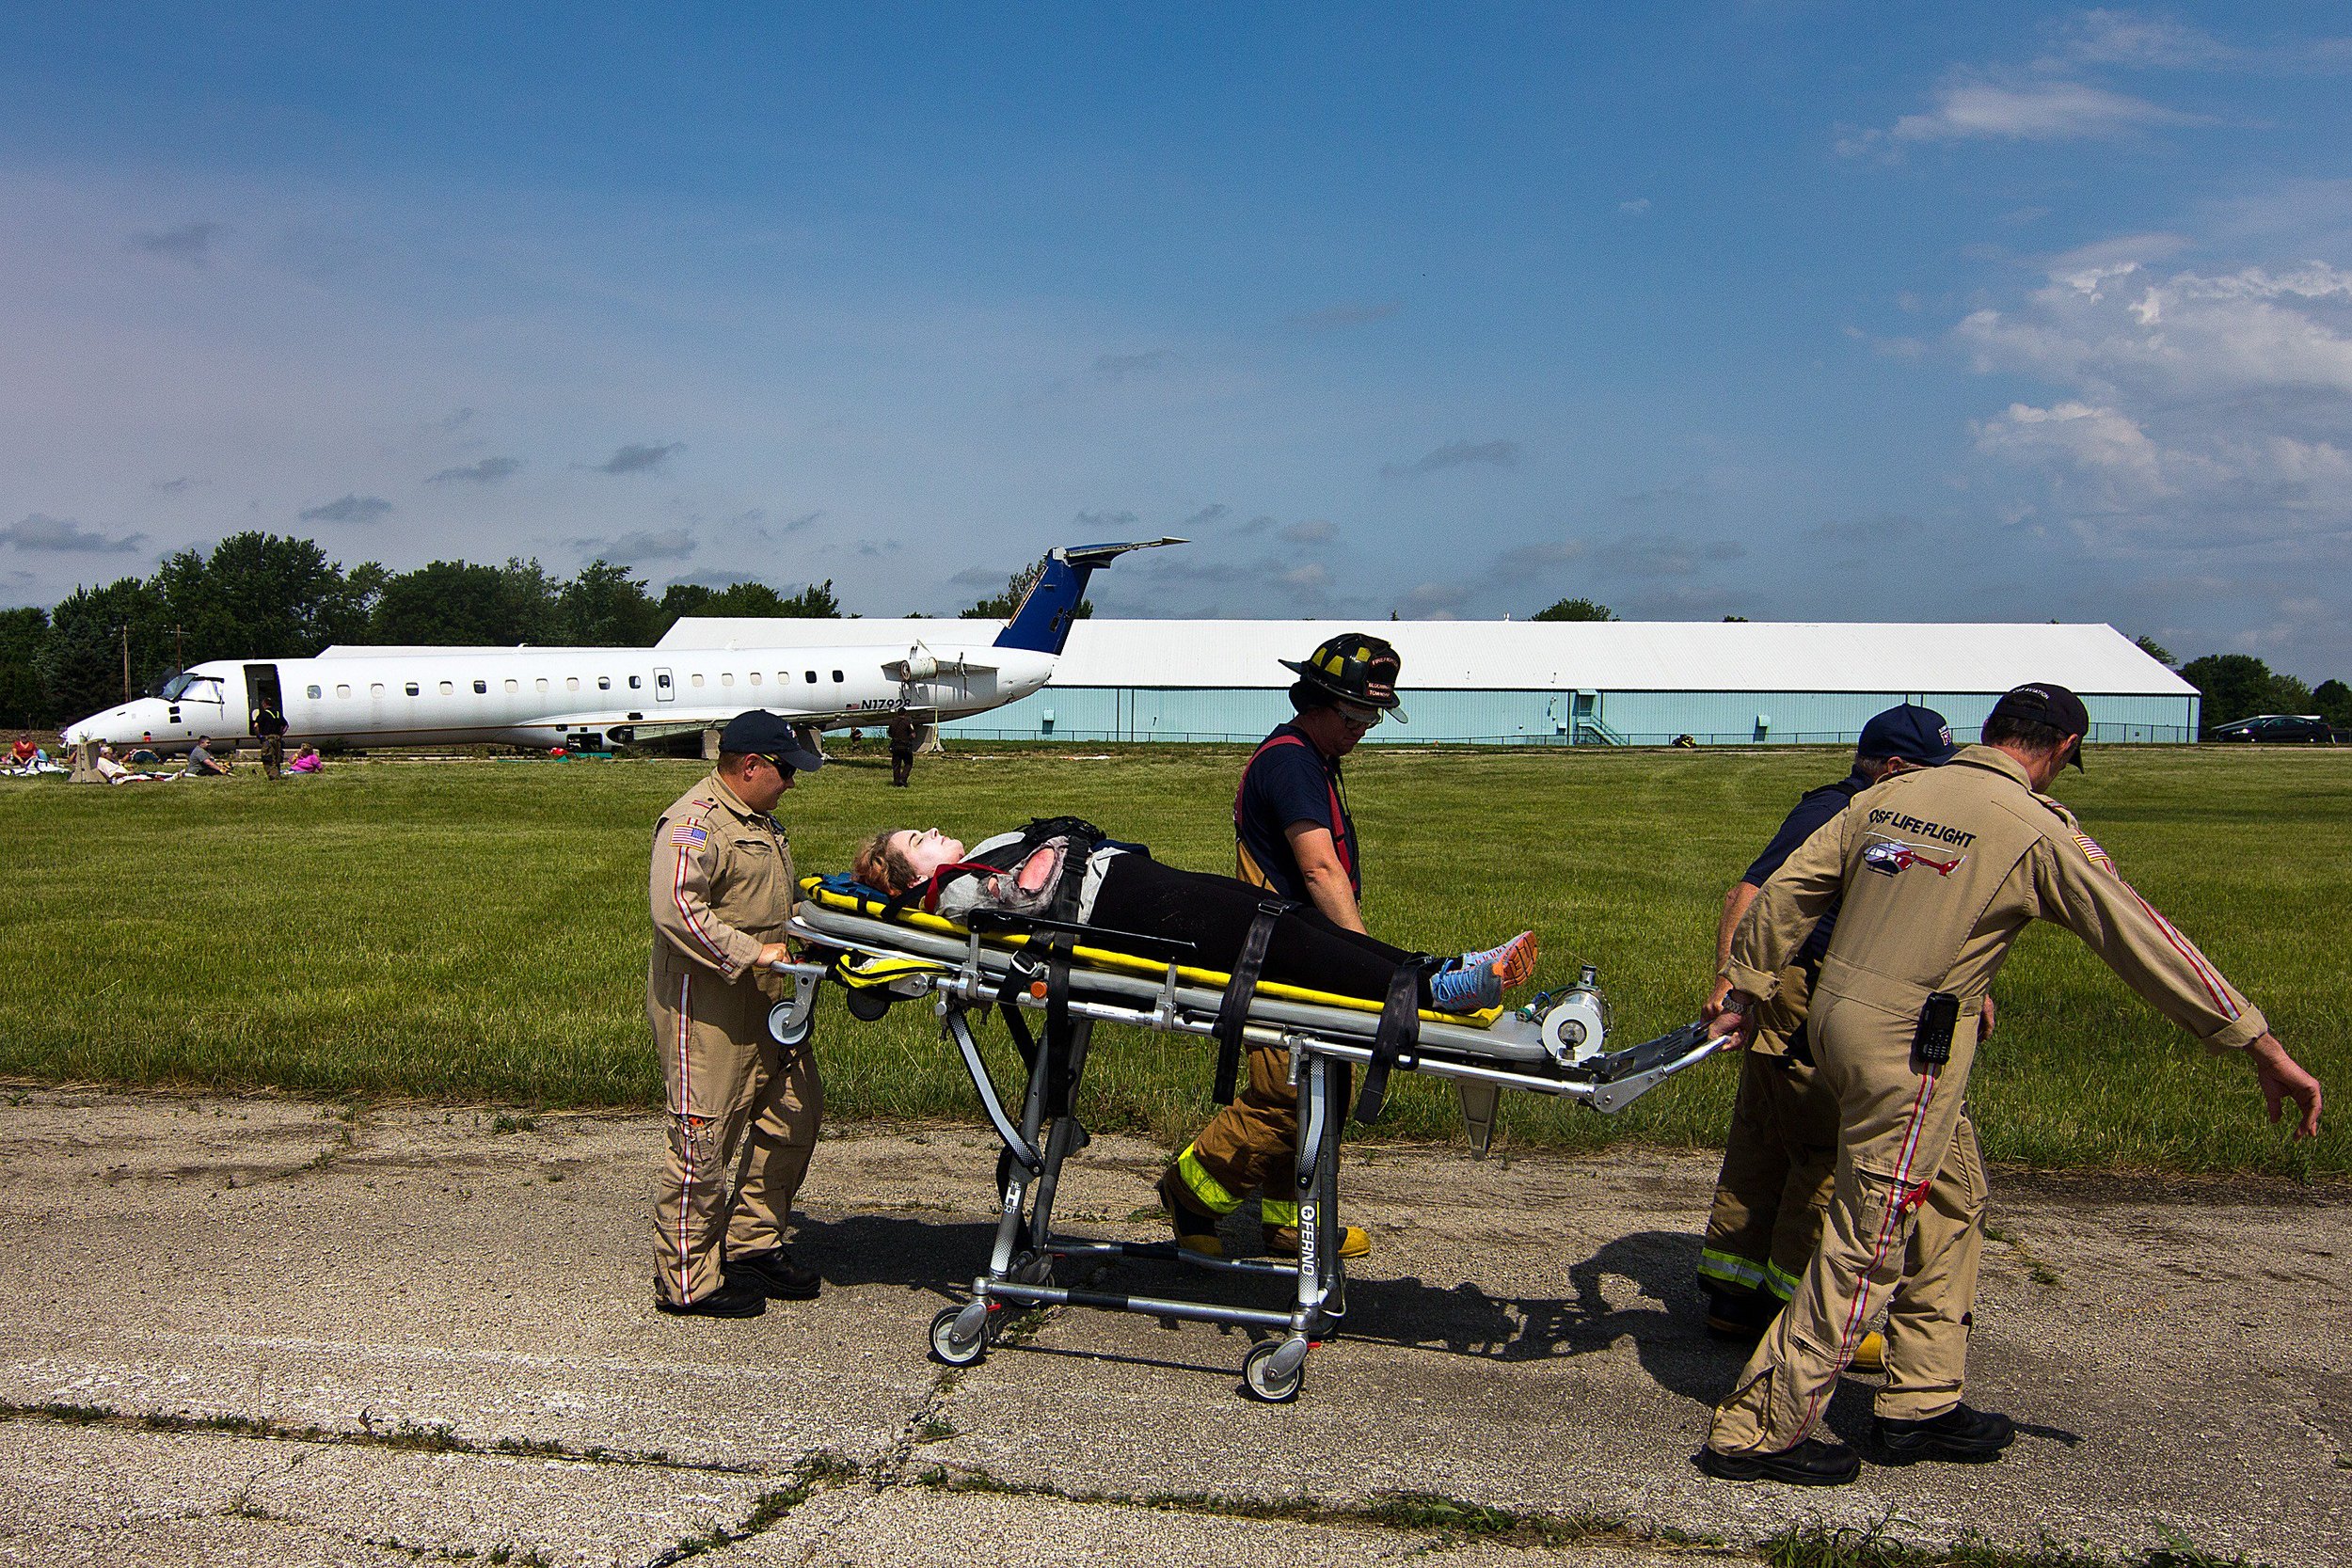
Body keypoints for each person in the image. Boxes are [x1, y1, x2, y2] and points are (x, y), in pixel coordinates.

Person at [1698, 683, 2323, 1487]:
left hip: (1832, 1017)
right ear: (2061, 749)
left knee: (1952, 1194)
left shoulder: (1895, 793)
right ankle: (1761, 1426)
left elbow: (1787, 887)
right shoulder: (2037, 829)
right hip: (1910, 1049)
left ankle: (1921, 1397)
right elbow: (2142, 937)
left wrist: (1745, 985)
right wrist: (2255, 1039)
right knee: (1870, 1232)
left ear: (1990, 731)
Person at [1694, 705, 1966, 1373]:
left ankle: (1733, 1294)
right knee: (1819, 1151)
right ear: (1895, 768)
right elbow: (1750, 891)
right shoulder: (1839, 811)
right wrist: (1732, 982)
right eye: (1927, 774)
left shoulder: (1866, 811)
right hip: (1800, 993)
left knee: (1764, 1141)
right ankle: (1799, 1317)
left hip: (1785, 992)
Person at [1162, 633, 1411, 1260]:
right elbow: (1320, 870)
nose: (1364, 730)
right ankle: (1188, 1196)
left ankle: (1284, 1225)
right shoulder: (1293, 762)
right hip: (1279, 962)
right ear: (1319, 703)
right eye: (1355, 717)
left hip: (1303, 954)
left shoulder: (1313, 758)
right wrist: (1369, 962)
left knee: (1320, 1091)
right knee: (1284, 1097)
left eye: (1372, 718)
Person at [851, 823, 1535, 1016]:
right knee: (1284, 943)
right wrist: (1053, 847)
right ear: (910, 877)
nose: (934, 831)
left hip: (1137, 887)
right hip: (1132, 914)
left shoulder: (968, 862)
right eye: (918, 839)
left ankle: (1443, 967)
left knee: (1286, 917)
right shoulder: (951, 895)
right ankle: (1434, 991)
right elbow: (1028, 896)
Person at [648, 710, 830, 1319]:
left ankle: (751, 1243)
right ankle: (688, 1281)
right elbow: (677, 909)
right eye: (785, 769)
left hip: (767, 999)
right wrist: (755, 952)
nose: (791, 781)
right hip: (709, 1008)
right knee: (704, 1140)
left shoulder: (760, 822)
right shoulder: (695, 822)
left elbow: (768, 901)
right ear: (749, 765)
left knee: (793, 1113)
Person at [253, 700, 290, 780]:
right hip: (278, 739)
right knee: (277, 759)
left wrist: (259, 735)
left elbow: (256, 726)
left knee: (268, 758)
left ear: (264, 704)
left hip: (268, 739)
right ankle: (277, 774)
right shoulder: (278, 713)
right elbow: (286, 725)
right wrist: (281, 734)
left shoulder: (263, 714)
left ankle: (274, 777)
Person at [887, 713, 920, 788]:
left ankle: (896, 782)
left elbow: (889, 733)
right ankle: (903, 778)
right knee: (908, 763)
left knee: (896, 765)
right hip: (905, 746)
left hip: (895, 746)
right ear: (905, 714)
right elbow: (913, 734)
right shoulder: (907, 722)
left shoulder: (893, 722)